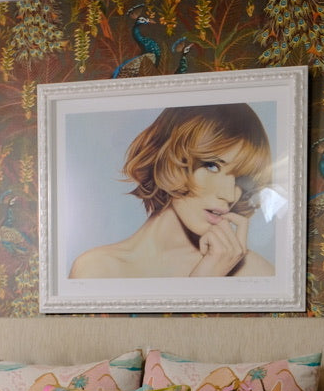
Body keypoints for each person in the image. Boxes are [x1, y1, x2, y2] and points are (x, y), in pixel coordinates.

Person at [70, 104, 275, 279]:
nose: (229, 195)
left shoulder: (255, 272)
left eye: (240, 179)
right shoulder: (96, 269)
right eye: (212, 166)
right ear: (167, 159)